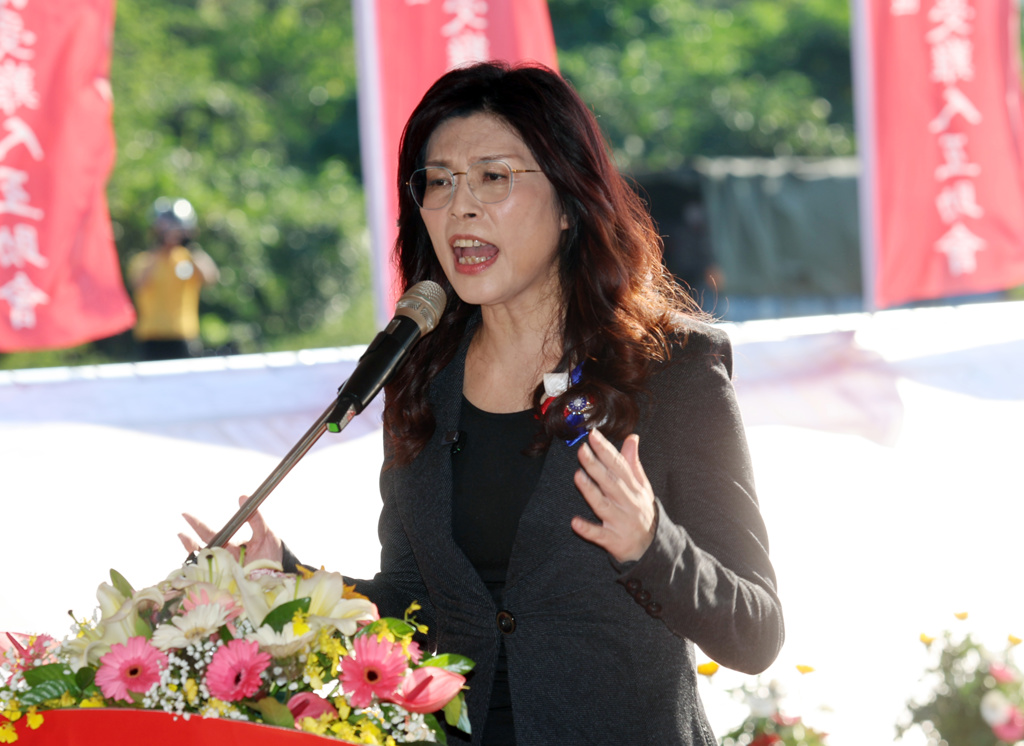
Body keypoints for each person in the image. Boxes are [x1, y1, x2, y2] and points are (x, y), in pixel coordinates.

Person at [181, 62, 783, 745]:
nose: (459, 206)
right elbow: (412, 610)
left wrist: (651, 544)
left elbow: (756, 631)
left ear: (568, 202)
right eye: (438, 181)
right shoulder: (420, 377)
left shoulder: (671, 370)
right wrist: (288, 579)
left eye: (493, 177)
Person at [129, 197, 219, 361]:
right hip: (151, 337)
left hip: (184, 335)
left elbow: (210, 278)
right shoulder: (145, 260)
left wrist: (188, 244)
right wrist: (159, 245)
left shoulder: (190, 258)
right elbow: (138, 284)